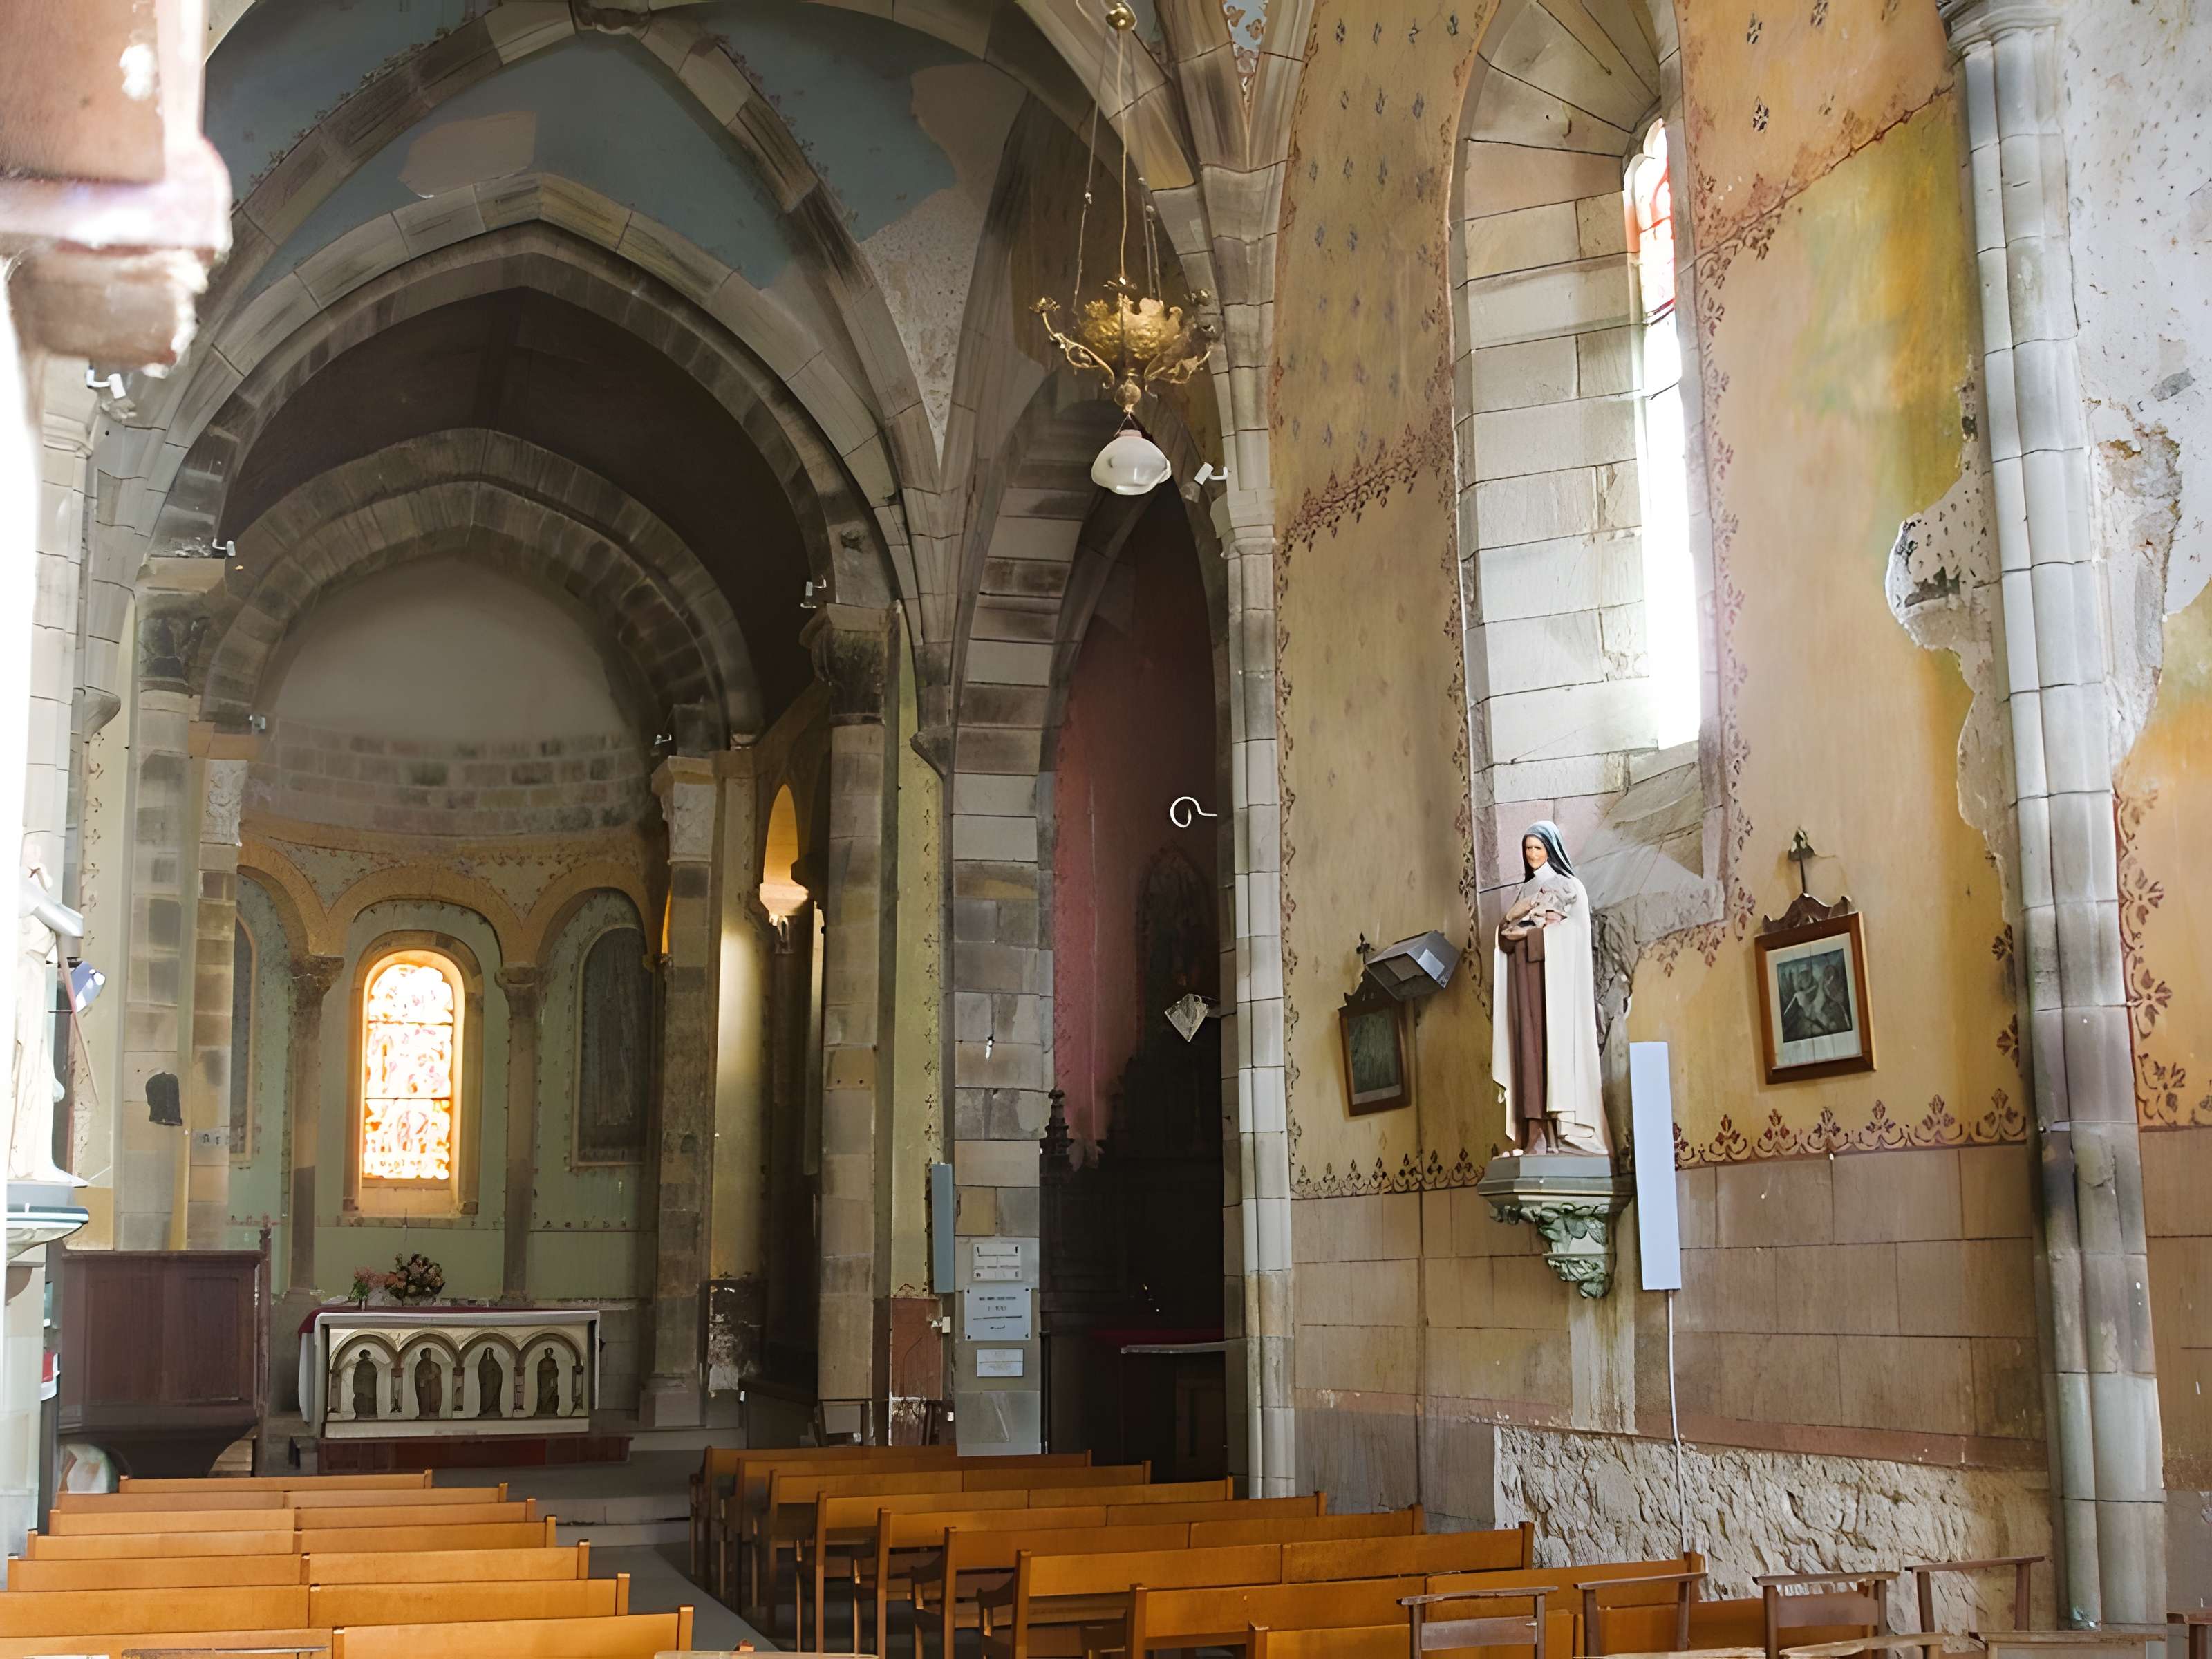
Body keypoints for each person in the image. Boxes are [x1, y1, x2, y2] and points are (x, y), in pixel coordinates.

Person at [1490, 822, 1607, 1154]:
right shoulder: (1523, 892)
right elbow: (1504, 935)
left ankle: (1559, 1133)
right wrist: (1508, 934)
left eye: (1537, 848)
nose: (1532, 855)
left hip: (1554, 990)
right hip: (1524, 984)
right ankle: (1534, 1133)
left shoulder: (1570, 887)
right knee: (1527, 1055)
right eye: (1527, 849)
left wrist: (1530, 935)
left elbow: (1572, 936)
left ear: (1551, 850)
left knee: (1551, 1054)